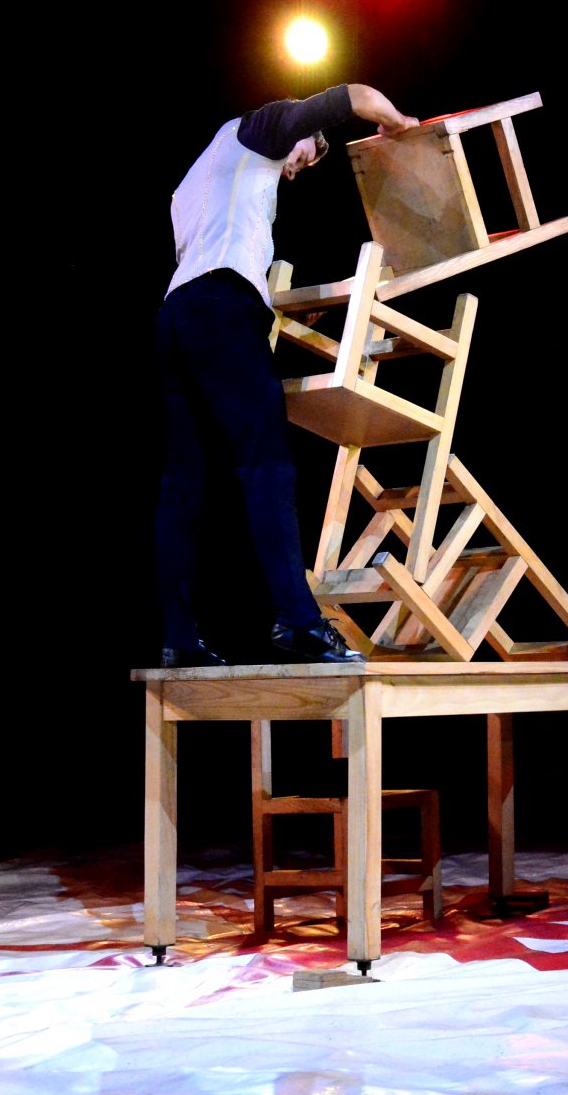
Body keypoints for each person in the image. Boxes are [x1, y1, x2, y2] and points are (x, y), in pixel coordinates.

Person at [155, 83, 419, 667]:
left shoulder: (197, 180)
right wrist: (398, 123)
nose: (301, 166)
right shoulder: (262, 129)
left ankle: (179, 637)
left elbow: (218, 251)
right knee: (267, 463)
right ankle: (298, 622)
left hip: (178, 316)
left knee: (184, 485)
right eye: (309, 152)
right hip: (219, 307)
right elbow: (353, 95)